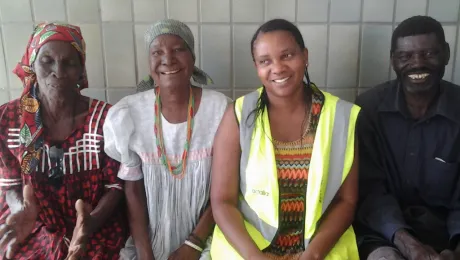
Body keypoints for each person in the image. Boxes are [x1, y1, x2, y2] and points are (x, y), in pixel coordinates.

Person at [210, 19, 360, 260]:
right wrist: (255, 257)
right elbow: (222, 201)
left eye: (287, 55)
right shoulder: (238, 114)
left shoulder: (340, 116)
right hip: (248, 248)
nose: (277, 68)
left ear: (305, 56)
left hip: (319, 248)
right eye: (265, 61)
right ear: (256, 67)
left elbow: (346, 201)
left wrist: (313, 254)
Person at [0, 22, 128, 259]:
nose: (58, 71)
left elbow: (116, 185)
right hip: (31, 226)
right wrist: (21, 209)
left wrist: (90, 224)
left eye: (69, 62)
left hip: (97, 226)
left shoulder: (106, 118)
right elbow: (10, 184)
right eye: (47, 61)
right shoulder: (7, 119)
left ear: (81, 70)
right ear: (32, 65)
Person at [103, 19, 229, 260]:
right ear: (149, 62)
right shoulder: (128, 114)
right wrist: (145, 255)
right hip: (149, 240)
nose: (168, 59)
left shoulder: (220, 109)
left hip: (208, 237)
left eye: (178, 49)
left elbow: (227, 187)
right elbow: (134, 192)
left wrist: (193, 246)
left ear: (192, 58)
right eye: (157, 52)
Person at [354, 16, 460, 260]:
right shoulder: (368, 109)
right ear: (393, 60)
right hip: (383, 234)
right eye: (405, 57)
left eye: (429, 53)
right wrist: (408, 244)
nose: (418, 64)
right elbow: (370, 191)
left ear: (446, 54)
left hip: (447, 233)